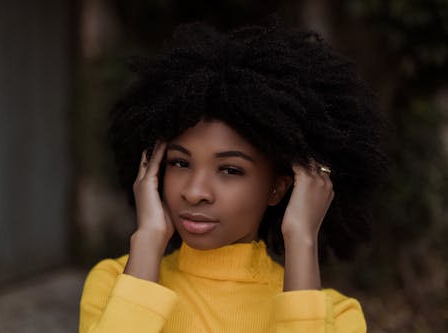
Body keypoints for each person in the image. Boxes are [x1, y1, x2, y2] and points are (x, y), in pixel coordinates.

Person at [79, 18, 387, 333]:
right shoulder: (116, 283)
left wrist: (301, 241)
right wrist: (147, 242)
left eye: (230, 170)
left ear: (279, 188)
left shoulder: (336, 315)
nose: (195, 191)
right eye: (180, 163)